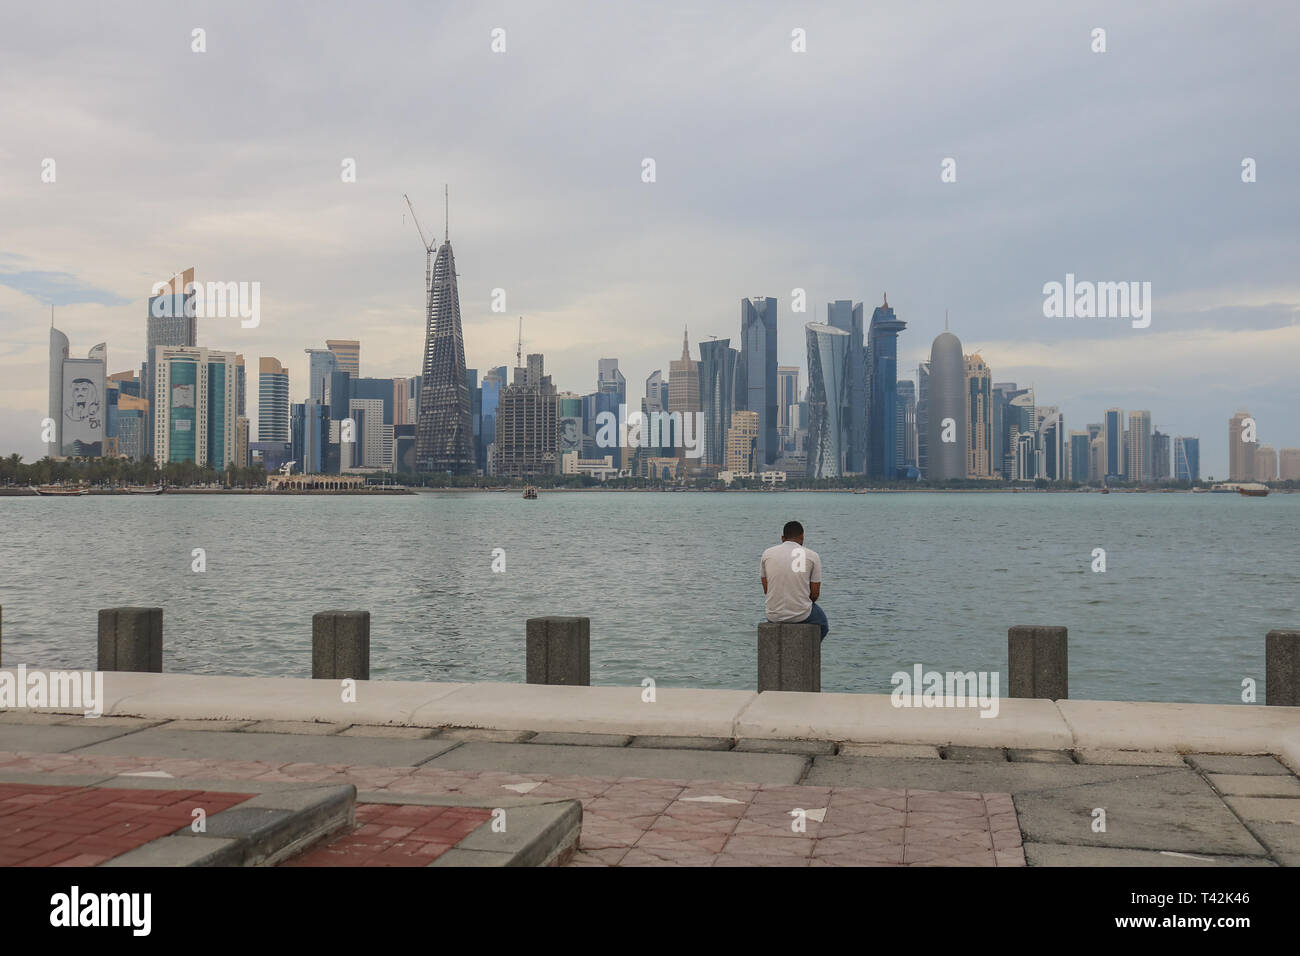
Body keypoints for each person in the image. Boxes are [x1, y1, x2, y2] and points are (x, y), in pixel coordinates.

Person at [760, 520, 828, 639]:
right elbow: (815, 594)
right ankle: (808, 652)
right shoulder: (812, 556)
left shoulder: (767, 554)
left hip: (773, 614)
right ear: (802, 537)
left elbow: (767, 590)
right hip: (801, 614)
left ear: (782, 538)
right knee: (823, 624)